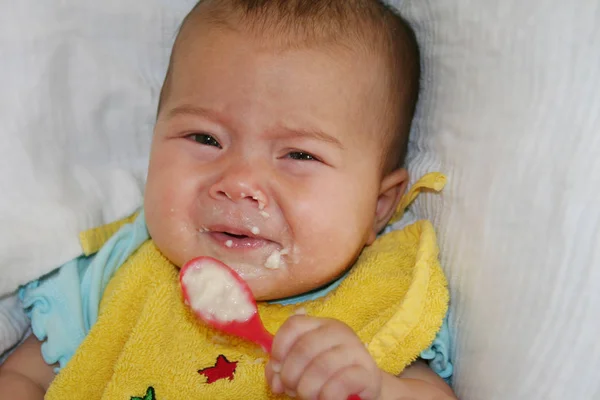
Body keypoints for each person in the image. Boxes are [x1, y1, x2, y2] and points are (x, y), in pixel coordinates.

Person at [0, 0, 456, 398]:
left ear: (379, 205)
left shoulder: (377, 301)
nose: (238, 183)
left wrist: (375, 390)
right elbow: (25, 377)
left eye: (298, 154)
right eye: (205, 138)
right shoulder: (116, 274)